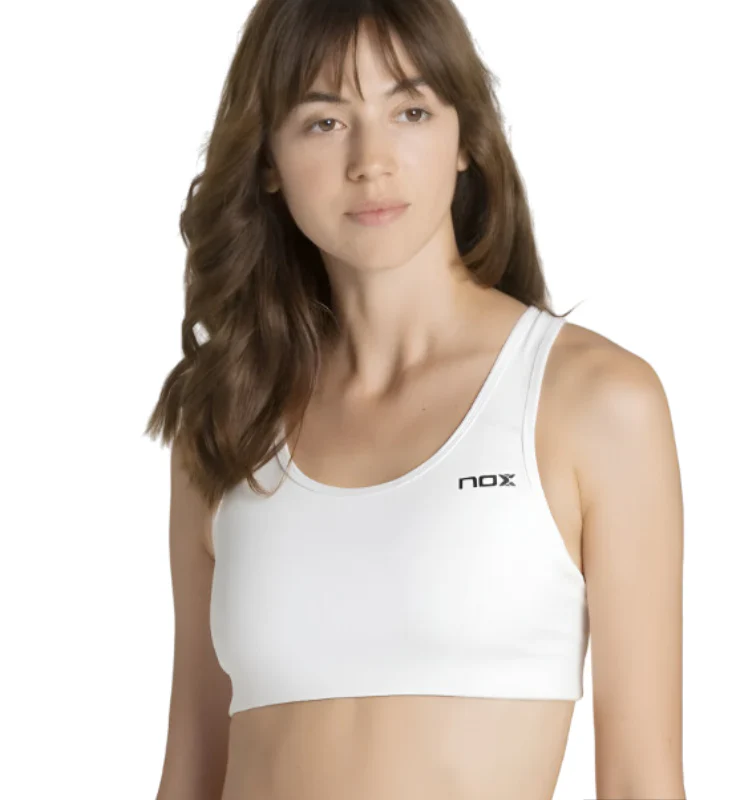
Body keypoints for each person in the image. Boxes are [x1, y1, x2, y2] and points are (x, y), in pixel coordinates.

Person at [147, 1, 686, 799]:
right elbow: (191, 772)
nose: (371, 162)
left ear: (465, 137)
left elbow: (643, 781)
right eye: (324, 122)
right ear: (267, 160)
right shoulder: (228, 414)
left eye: (410, 111)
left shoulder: (595, 403)